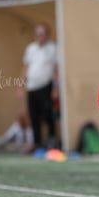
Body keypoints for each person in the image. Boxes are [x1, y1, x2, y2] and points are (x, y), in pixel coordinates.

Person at [19, 23, 58, 152]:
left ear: (47, 35)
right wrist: (21, 86)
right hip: (32, 87)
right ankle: (37, 142)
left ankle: (52, 139)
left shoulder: (53, 48)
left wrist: (56, 89)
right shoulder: (30, 48)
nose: (40, 37)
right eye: (38, 34)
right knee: (33, 116)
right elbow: (25, 68)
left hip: (45, 86)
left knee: (48, 114)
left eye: (42, 34)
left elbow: (55, 70)